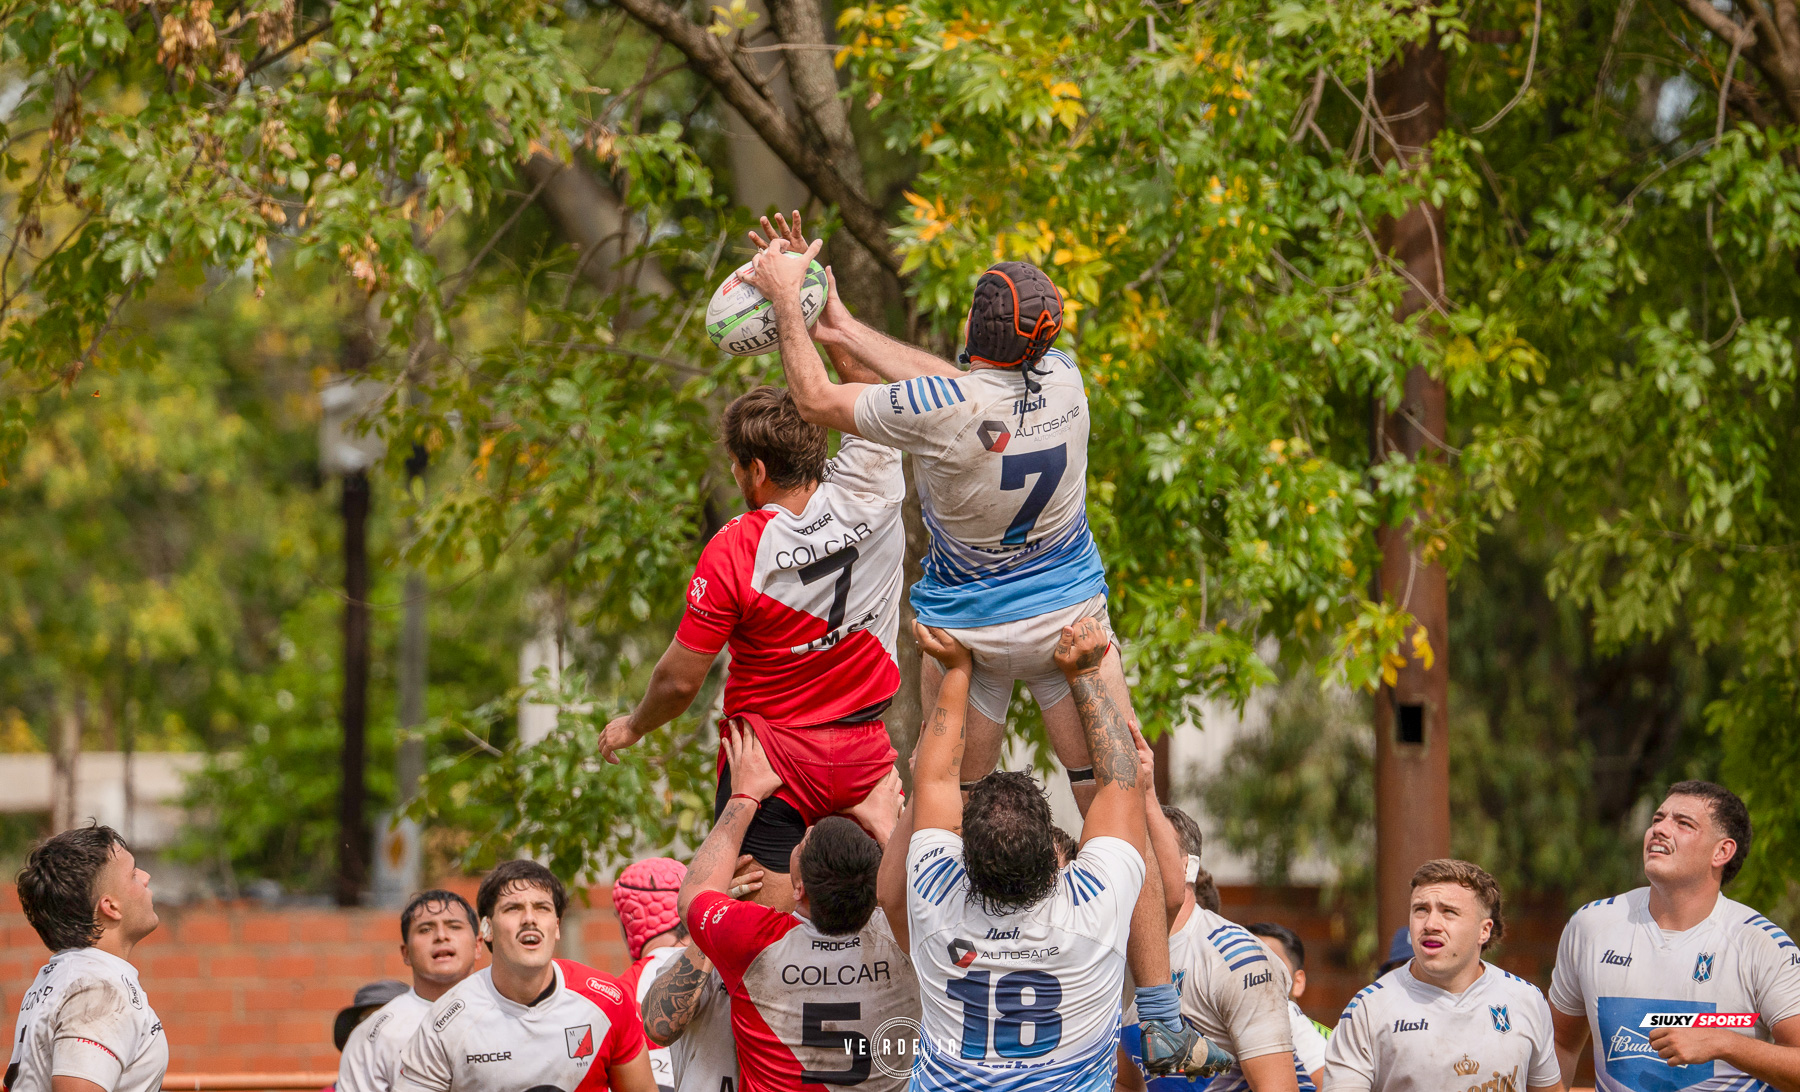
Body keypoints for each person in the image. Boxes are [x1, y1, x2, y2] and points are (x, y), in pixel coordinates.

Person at [741, 223, 1186, 1072]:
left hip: (966, 643)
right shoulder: (1065, 378)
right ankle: (1160, 1011)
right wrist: (840, 323)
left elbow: (815, 404)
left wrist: (788, 306)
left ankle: (938, 985)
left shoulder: (947, 414)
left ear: (972, 336)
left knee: (938, 807)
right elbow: (943, 385)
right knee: (1123, 798)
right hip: (1070, 626)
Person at [879, 616, 1229, 1092]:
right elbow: (1121, 787)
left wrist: (958, 669)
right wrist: (1085, 675)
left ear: (965, 862)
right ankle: (1161, 1015)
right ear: (1054, 856)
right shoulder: (1085, 910)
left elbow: (936, 781)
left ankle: (1162, 1017)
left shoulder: (936, 899)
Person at [598, 382, 906, 910]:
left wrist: (634, 726)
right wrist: (815, 316)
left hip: (767, 765)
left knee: (764, 945)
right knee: (886, 936)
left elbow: (678, 682)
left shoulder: (734, 548)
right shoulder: (872, 488)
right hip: (863, 757)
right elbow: (872, 390)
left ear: (756, 470)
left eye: (738, 466)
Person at [678, 724, 918, 1092]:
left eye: (803, 840)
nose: (804, 832)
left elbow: (693, 894)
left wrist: (743, 796)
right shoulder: (906, 939)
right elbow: (912, 894)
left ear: (798, 887)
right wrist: (886, 826)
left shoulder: (754, 941)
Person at [1548, 780, 1800, 1092]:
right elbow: (1560, 1044)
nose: (1660, 829)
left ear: (1722, 851)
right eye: (1657, 819)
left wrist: (1725, 1042)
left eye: (1683, 823)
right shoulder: (1591, 925)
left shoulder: (1761, 945)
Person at [397, 861, 655, 1092]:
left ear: (556, 927)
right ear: (487, 928)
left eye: (542, 908)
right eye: (513, 908)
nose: (529, 919)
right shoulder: (445, 1022)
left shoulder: (607, 1000)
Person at [1321, 860, 1563, 1092]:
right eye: (1420, 910)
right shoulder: (1369, 1009)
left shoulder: (1526, 999)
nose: (1430, 924)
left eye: (1448, 912)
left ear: (1484, 930)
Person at [1119, 802, 1306, 1092]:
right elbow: (1128, 1085)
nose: (1141, 864)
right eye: (1132, 852)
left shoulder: (1237, 958)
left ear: (1188, 867)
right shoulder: (1117, 958)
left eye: (1153, 849)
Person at [5, 825, 166, 1092]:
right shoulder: (97, 989)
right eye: (133, 874)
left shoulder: (71, 975)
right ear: (110, 906)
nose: (146, 877)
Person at [338, 891, 481, 1092]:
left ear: (478, 944)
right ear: (406, 953)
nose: (441, 936)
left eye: (454, 926)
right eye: (425, 929)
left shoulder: (510, 1013)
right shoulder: (374, 1034)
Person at [1247, 923, 1330, 1085]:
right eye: (1244, 962)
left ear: (1298, 982)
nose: (1254, 973)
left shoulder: (1333, 1043)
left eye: (1269, 965)